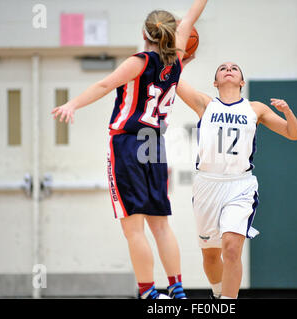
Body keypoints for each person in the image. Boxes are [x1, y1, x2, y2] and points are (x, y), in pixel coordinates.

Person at [52, 1, 208, 299]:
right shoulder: (176, 59)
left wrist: (72, 104)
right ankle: (176, 290)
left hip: (128, 143)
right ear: (174, 34)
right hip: (156, 145)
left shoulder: (139, 61)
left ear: (144, 32)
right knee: (161, 225)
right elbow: (192, 15)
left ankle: (148, 293)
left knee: (133, 229)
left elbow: (103, 85)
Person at [176, 61, 297, 299]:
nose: (229, 69)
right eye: (223, 68)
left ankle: (228, 303)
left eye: (234, 68)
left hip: (240, 185)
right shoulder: (205, 103)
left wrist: (288, 112)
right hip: (207, 184)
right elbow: (172, 79)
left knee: (232, 249)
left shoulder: (256, 109)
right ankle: (218, 292)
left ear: (242, 82)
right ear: (216, 82)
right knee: (211, 256)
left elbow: (294, 134)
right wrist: (184, 57)